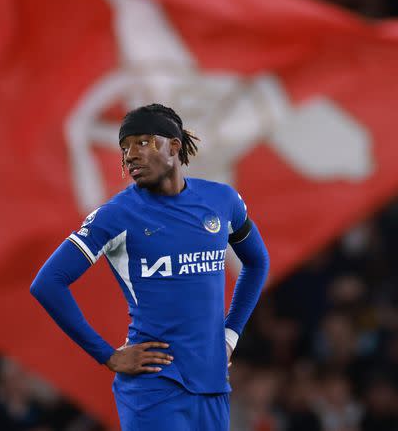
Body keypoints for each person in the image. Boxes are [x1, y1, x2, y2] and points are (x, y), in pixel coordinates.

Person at [30, 103, 270, 430]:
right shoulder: (117, 215)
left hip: (212, 382)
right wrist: (107, 355)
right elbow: (48, 282)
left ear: (174, 145)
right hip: (154, 387)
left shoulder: (222, 200)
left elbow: (257, 262)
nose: (130, 155)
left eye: (143, 142)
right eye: (124, 147)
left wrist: (231, 334)